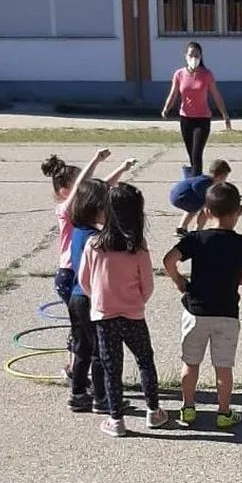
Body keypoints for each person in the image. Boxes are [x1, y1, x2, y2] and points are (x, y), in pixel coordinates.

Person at [163, 182, 242, 430]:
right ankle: (224, 412)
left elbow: (168, 260)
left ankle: (188, 408)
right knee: (223, 367)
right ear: (240, 211)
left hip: (195, 311)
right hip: (226, 313)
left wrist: (179, 280)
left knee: (190, 362)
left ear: (206, 211)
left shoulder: (196, 239)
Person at [78, 183, 169, 437]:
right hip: (133, 315)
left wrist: (98, 298)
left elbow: (84, 281)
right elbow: (147, 285)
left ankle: (116, 419)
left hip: (104, 316)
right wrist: (136, 300)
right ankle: (153, 411)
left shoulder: (94, 245)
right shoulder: (137, 247)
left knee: (111, 367)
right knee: (145, 360)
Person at [41, 149, 133, 384]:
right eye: (76, 187)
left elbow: (99, 186)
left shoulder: (82, 209)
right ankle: (74, 371)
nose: (82, 190)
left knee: (83, 327)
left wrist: (122, 169)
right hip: (70, 276)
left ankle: (76, 370)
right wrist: (96, 159)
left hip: (81, 275)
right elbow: (86, 184)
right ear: (64, 191)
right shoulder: (65, 210)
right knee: (81, 328)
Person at [161, 41, 231, 176]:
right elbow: (173, 93)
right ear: (185, 56)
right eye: (191, 54)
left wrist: (225, 115)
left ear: (201, 56)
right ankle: (196, 181)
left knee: (197, 154)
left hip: (202, 119)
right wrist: (166, 108)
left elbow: (216, 95)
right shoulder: (179, 74)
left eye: (196, 55)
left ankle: (196, 187)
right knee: (191, 155)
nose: (194, 58)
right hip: (186, 119)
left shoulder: (206, 74)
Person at [169, 159, 231, 237]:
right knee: (208, 207)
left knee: (193, 208)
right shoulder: (207, 181)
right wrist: (205, 197)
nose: (225, 180)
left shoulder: (205, 179)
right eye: (225, 177)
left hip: (177, 196)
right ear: (220, 176)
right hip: (182, 197)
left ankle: (181, 228)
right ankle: (198, 230)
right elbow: (196, 185)